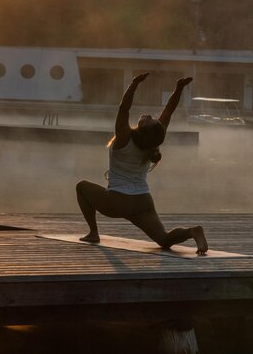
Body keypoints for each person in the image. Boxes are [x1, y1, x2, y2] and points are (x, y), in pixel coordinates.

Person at [76, 73, 208, 255]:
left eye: (148, 120)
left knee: (81, 186)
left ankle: (93, 232)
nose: (148, 116)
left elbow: (124, 108)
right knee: (164, 239)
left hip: (117, 201)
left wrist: (134, 84)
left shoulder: (124, 138)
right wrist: (179, 89)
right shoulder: (152, 144)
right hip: (143, 201)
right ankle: (192, 232)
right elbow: (169, 111)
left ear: (143, 129)